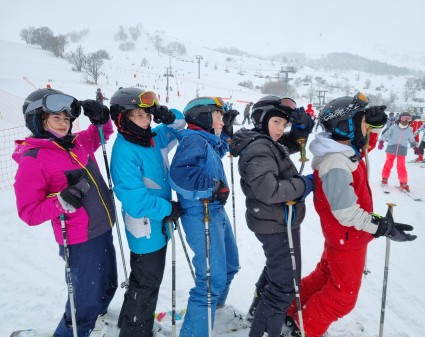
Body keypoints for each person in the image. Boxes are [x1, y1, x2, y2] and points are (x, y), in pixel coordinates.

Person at [285, 93, 416, 337]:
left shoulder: (342, 148)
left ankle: (288, 311)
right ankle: (304, 328)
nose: (367, 129)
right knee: (342, 297)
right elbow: (346, 212)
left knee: (324, 277)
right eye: (363, 122)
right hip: (348, 236)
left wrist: (375, 121)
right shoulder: (336, 161)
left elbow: (366, 142)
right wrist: (381, 226)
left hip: (342, 236)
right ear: (347, 126)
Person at [13, 88, 118, 337]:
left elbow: (103, 134)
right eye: (56, 118)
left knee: (107, 285)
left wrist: (101, 118)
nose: (63, 123)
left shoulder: (77, 143)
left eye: (67, 118)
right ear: (39, 120)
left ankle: (97, 320)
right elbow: (28, 212)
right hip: (79, 240)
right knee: (84, 302)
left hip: (102, 229)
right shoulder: (34, 159)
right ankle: (74, 331)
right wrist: (61, 201)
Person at [229, 96, 315, 337]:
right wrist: (304, 184)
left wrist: (299, 130)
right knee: (285, 285)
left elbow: (285, 147)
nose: (280, 129)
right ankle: (264, 331)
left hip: (276, 221)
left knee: (278, 274)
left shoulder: (264, 141)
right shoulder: (258, 148)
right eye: (276, 122)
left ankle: (257, 312)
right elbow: (270, 190)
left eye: (283, 124)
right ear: (261, 120)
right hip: (275, 223)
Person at [109, 87, 186, 337]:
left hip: (158, 224)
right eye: (138, 116)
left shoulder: (153, 137)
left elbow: (180, 124)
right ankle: (135, 331)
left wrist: (167, 115)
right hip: (145, 227)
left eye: (148, 115)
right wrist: (167, 209)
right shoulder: (124, 151)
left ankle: (128, 321)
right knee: (147, 283)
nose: (146, 120)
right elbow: (133, 199)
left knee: (142, 278)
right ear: (123, 119)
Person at [169, 96, 243, 337]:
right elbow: (180, 174)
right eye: (219, 116)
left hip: (215, 211)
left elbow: (218, 149)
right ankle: (196, 329)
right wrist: (211, 186)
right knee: (210, 282)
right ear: (203, 116)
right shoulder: (192, 140)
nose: (222, 121)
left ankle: (215, 314)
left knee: (230, 265)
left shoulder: (205, 141)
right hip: (201, 214)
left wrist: (226, 131)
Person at [378, 111, 417, 192]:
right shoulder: (393, 127)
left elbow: (411, 139)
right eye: (404, 119)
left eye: (408, 119)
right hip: (391, 148)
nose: (406, 121)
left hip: (402, 149)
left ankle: (403, 183)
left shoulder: (409, 129)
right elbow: (386, 135)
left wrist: (414, 146)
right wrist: (381, 141)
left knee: (401, 166)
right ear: (399, 119)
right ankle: (384, 178)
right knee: (388, 164)